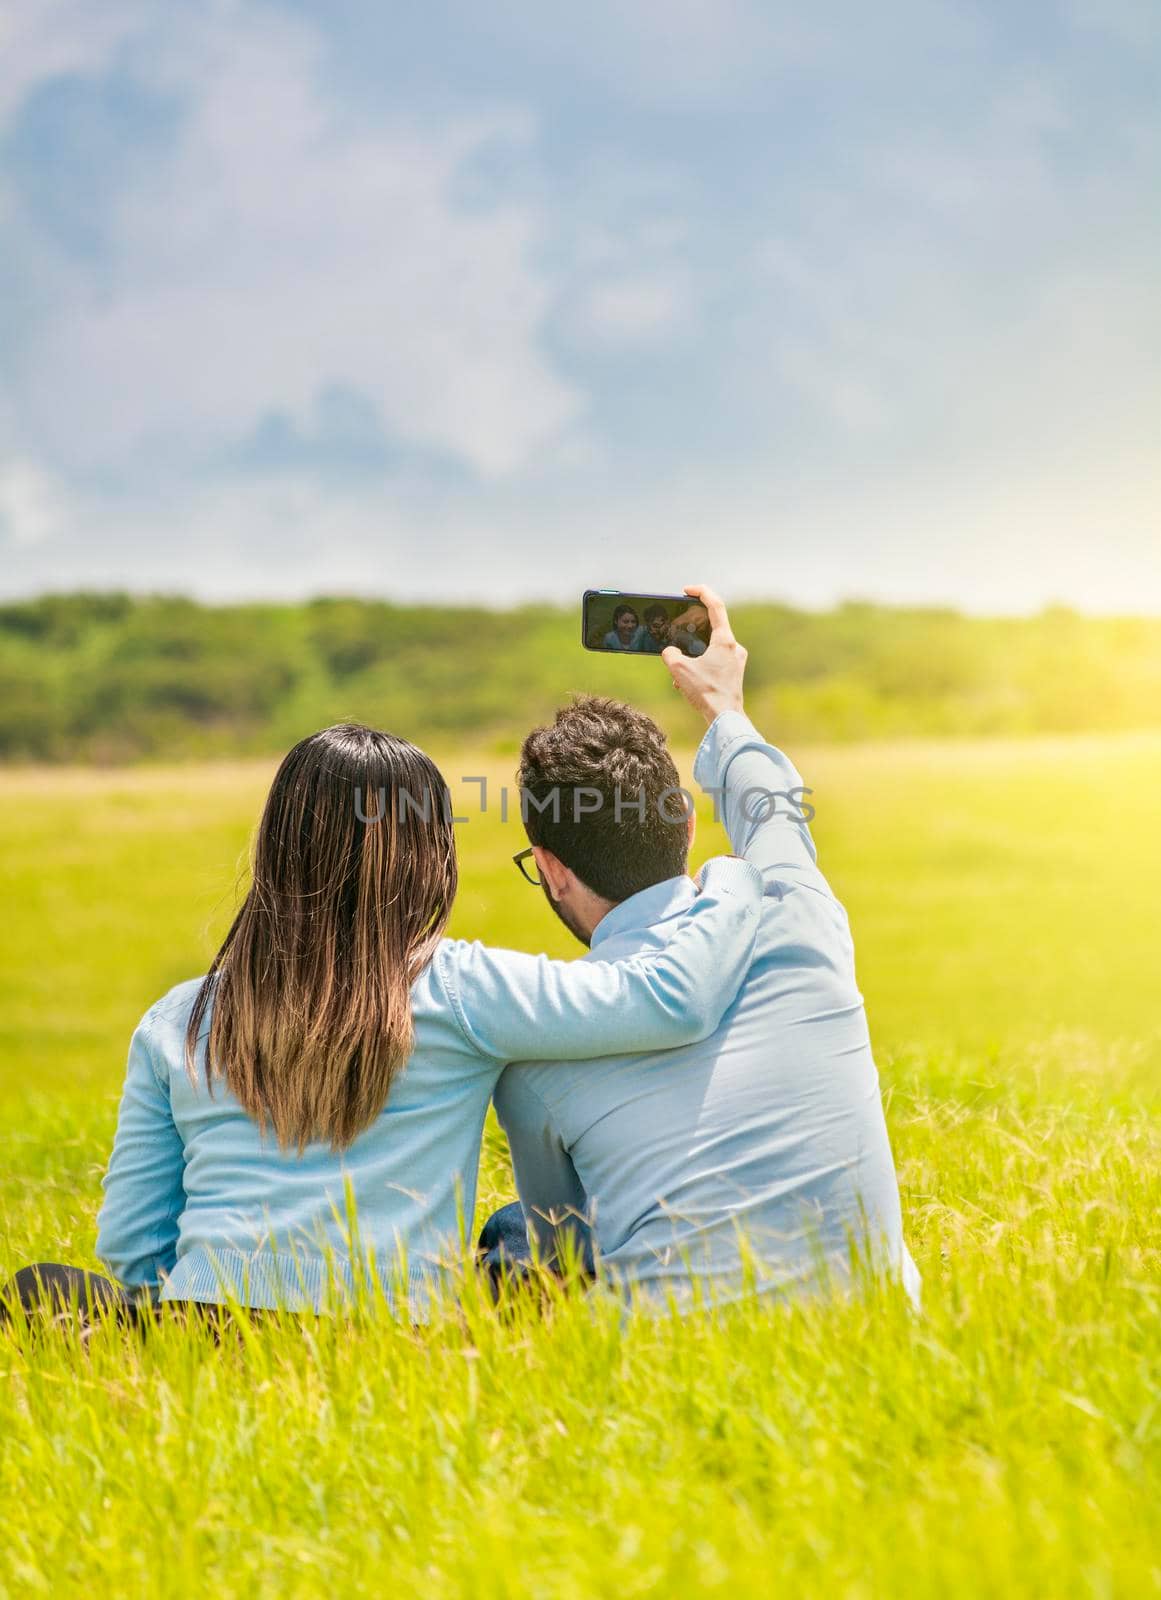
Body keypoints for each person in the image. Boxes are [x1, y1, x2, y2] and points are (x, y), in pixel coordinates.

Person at [0, 723, 762, 1325]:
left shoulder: (179, 1016)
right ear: (429, 854)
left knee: (44, 1290)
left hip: (202, 1326)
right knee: (519, 1230)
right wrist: (732, 879)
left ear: (276, 846)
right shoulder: (462, 986)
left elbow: (133, 1250)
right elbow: (670, 997)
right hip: (393, 1339)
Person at [491, 586, 920, 1310]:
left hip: (672, 1377)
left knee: (509, 1237)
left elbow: (561, 1251)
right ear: (686, 825)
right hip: (884, 1347)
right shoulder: (801, 919)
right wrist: (723, 705)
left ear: (553, 869)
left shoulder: (538, 1048)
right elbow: (773, 813)